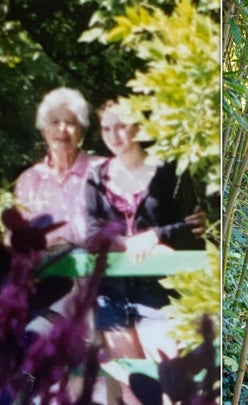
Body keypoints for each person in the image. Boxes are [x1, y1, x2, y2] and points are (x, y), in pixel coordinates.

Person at [85, 99, 207, 362]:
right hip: (111, 294)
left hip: (159, 291)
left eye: (121, 126)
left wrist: (156, 236)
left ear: (138, 126)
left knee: (170, 377)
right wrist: (123, 243)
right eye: (107, 129)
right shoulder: (95, 177)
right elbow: (92, 234)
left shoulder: (167, 171)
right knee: (133, 386)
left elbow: (193, 226)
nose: (113, 135)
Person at [14, 87, 104, 248]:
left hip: (97, 269)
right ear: (43, 130)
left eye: (70, 122)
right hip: (41, 271)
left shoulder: (101, 170)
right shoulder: (28, 181)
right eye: (54, 122)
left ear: (81, 130)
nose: (61, 129)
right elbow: (15, 240)